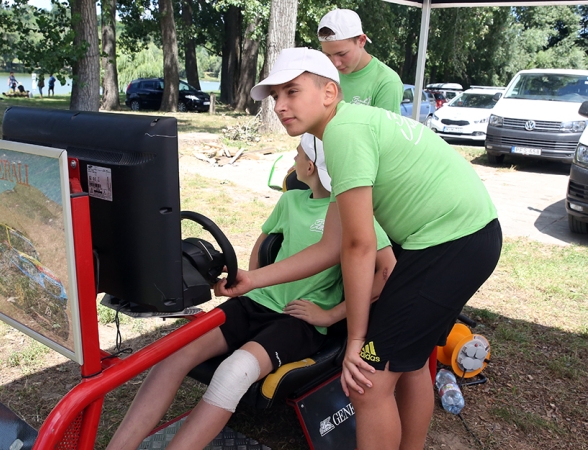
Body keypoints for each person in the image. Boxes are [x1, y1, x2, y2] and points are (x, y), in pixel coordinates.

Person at [215, 47, 502, 450]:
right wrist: (253, 279)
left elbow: (358, 246)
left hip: (450, 244)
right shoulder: (348, 128)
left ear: (329, 92)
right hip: (464, 238)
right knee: (413, 363)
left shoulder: (343, 134)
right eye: (275, 96)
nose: (280, 105)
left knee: (365, 381)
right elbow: (333, 244)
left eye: (292, 92)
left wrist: (355, 341)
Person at [105, 134, 396, 450]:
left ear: (311, 166)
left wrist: (331, 314)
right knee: (173, 354)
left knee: (233, 373)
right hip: (257, 301)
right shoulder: (290, 201)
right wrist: (254, 278)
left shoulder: (353, 213)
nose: (293, 161)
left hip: (299, 319)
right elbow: (264, 241)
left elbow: (386, 273)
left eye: (297, 155)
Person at [318, 9, 403, 114]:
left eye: (342, 54)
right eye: (328, 55)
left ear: (362, 41)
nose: (336, 63)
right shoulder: (323, 74)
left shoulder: (387, 82)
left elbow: (386, 130)